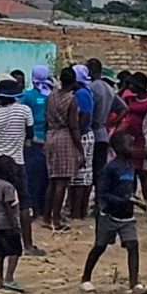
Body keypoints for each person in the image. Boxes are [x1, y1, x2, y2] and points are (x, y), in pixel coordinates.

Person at [80, 141, 147, 294]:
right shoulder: (110, 168)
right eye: (129, 144)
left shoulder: (131, 167)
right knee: (100, 246)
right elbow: (103, 193)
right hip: (108, 215)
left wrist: (137, 201)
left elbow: (130, 191)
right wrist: (122, 200)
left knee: (132, 245)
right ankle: (86, 278)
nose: (133, 147)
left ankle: (134, 283)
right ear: (118, 148)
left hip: (127, 217)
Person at [0, 78, 35, 252]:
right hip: (17, 162)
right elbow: (30, 133)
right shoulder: (25, 111)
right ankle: (28, 244)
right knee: (24, 202)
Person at [44, 67, 86, 232]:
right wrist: (80, 149)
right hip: (64, 137)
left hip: (51, 136)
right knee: (62, 181)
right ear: (74, 81)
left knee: (52, 180)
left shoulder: (51, 96)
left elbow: (47, 118)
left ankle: (47, 217)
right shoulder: (71, 99)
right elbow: (74, 126)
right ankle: (56, 220)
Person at [19, 66, 53, 253]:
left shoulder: (28, 96)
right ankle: (42, 209)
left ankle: (32, 208)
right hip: (49, 139)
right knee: (46, 177)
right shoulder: (50, 95)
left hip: (33, 141)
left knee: (32, 177)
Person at [0, 158, 25, 292]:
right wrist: (14, 224)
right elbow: (8, 205)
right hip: (8, 223)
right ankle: (9, 278)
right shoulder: (8, 187)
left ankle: (0, 280)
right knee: (15, 251)